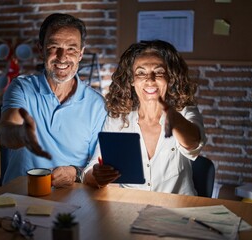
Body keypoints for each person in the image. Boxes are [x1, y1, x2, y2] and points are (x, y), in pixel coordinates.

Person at [82, 40, 207, 195]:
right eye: (141, 73)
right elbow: (92, 167)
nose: (150, 79)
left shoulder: (185, 112)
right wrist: (96, 176)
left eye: (159, 72)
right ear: (132, 80)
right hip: (132, 209)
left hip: (177, 211)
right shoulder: (118, 119)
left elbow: (194, 144)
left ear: (170, 78)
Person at [0, 13, 107, 187]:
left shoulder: (97, 105)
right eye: (54, 46)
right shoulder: (22, 88)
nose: (62, 57)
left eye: (71, 48)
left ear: (81, 53)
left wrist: (75, 172)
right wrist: (21, 134)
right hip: (19, 197)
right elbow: (6, 133)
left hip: (71, 202)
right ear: (41, 49)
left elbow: (97, 165)